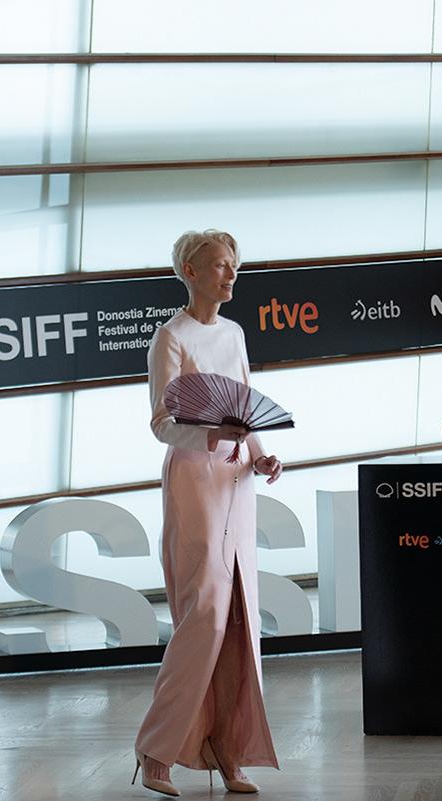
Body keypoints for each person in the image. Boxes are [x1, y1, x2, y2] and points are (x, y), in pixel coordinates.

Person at [132, 230, 283, 797]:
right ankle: (157, 749)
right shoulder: (170, 337)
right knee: (206, 617)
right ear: (190, 272)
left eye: (234, 265)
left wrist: (261, 455)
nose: (232, 274)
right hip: (194, 480)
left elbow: (245, 404)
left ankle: (227, 748)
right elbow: (162, 423)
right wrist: (210, 435)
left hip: (238, 480)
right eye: (220, 265)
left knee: (240, 617)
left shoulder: (235, 333)